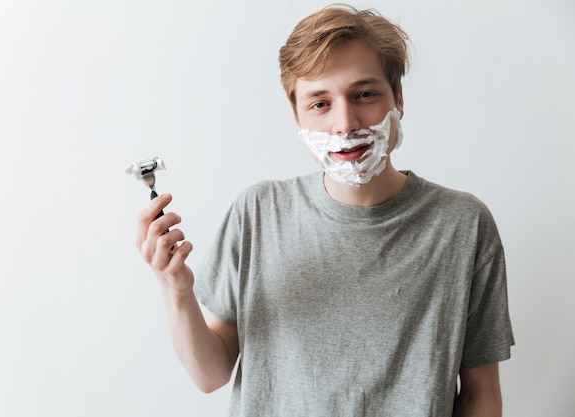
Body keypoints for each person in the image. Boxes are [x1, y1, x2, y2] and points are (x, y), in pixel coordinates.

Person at [135, 4, 514, 416]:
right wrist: (176, 289)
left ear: (398, 99)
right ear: (297, 116)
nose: (345, 123)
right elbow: (210, 374)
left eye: (364, 94)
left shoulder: (463, 225)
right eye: (320, 103)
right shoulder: (258, 214)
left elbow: (480, 395)